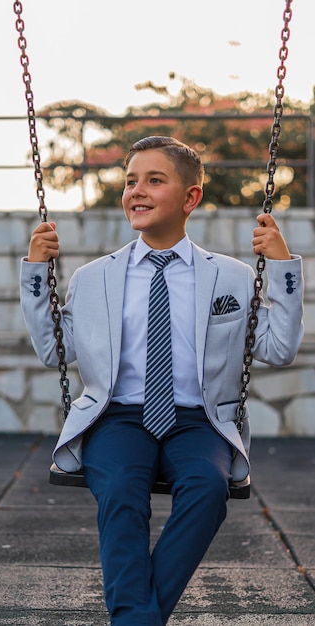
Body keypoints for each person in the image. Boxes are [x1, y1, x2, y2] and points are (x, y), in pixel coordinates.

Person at [20, 136, 304, 625]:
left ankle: (134, 618)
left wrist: (280, 267)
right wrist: (34, 273)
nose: (137, 191)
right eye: (131, 180)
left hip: (197, 419)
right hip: (118, 416)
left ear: (190, 198)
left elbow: (278, 349)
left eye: (155, 180)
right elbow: (52, 349)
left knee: (208, 489)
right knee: (121, 492)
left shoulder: (232, 278)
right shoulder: (93, 279)